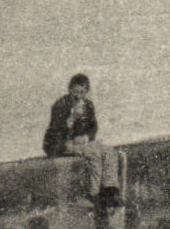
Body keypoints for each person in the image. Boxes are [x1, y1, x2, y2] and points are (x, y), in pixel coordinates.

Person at [43, 73, 123, 209]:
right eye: (76, 93)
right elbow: (57, 133)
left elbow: (93, 127)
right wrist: (72, 118)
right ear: (70, 90)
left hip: (81, 143)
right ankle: (94, 194)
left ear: (87, 92)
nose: (79, 96)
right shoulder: (60, 105)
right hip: (60, 144)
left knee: (109, 151)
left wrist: (86, 137)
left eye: (83, 92)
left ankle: (110, 189)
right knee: (94, 154)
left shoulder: (88, 105)